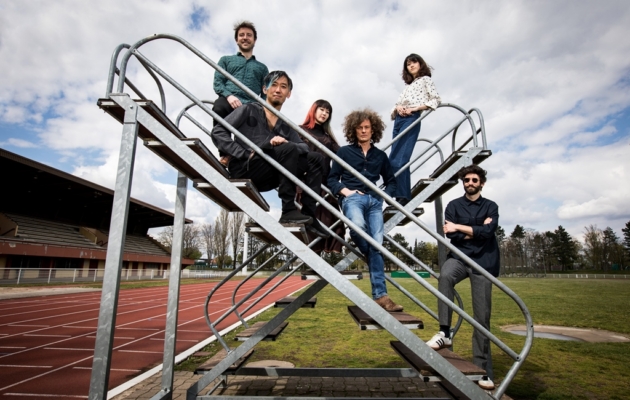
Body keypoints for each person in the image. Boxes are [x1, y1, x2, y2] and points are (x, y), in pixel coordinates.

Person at [211, 71, 328, 238]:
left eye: (283, 87)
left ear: (289, 94)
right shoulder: (248, 109)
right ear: (264, 89)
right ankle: (288, 210)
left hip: (269, 173)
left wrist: (285, 142)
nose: (278, 90)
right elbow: (218, 131)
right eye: (273, 85)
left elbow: (304, 148)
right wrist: (244, 153)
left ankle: (309, 214)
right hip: (246, 167)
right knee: (286, 149)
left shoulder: (285, 125)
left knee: (315, 159)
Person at [425, 164, 499, 391]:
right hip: (459, 258)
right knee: (444, 275)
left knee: (481, 318)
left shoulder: (491, 206)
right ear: (463, 182)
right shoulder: (453, 205)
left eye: (474, 180)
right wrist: (474, 230)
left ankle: (483, 370)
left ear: (482, 183)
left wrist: (460, 227)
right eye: (467, 180)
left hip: (483, 264)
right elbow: (452, 237)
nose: (470, 183)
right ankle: (444, 332)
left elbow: (489, 233)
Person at [327, 108, 402, 312]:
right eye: (359, 128)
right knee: (359, 228)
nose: (363, 131)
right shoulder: (343, 152)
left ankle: (381, 297)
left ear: (373, 129)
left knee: (377, 244)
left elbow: (391, 182)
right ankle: (374, 258)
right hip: (353, 199)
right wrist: (346, 192)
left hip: (374, 201)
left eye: (367, 127)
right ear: (354, 130)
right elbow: (332, 178)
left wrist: (382, 196)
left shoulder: (380, 155)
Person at [389, 54, 441, 205]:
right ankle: (400, 193)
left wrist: (416, 108)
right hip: (398, 120)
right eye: (408, 64)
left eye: (413, 62)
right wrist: (398, 107)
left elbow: (436, 99)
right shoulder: (407, 87)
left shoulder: (426, 80)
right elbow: (397, 104)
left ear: (420, 64)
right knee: (393, 158)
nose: (410, 65)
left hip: (411, 118)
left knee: (400, 158)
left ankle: (403, 196)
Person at [297, 100, 345, 252]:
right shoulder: (299, 130)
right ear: (314, 110)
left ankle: (324, 264)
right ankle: (312, 261)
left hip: (325, 185)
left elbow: (344, 156)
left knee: (332, 222)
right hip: (306, 183)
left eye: (328, 112)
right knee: (309, 223)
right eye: (322, 109)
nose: (324, 113)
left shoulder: (328, 138)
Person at [213, 21, 269, 127]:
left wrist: (260, 108)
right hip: (228, 100)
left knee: (254, 127)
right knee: (219, 107)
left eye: (249, 35)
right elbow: (218, 82)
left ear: (254, 40)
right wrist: (229, 96)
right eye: (241, 35)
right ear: (236, 40)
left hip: (251, 105)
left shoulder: (262, 68)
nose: (245, 37)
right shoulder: (225, 60)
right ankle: (222, 142)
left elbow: (265, 94)